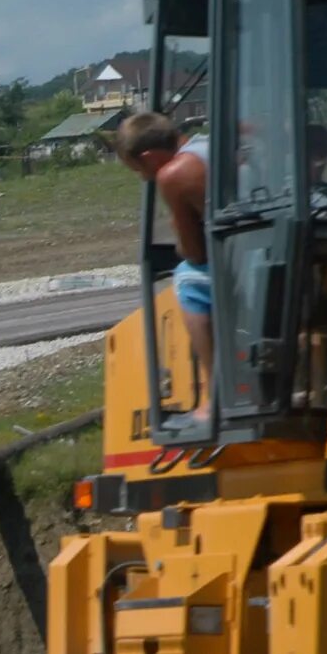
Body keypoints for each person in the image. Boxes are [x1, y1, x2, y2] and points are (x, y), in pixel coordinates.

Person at [111, 112, 213, 426]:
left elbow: (194, 253)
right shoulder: (210, 146)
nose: (145, 179)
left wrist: (180, 235)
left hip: (246, 258)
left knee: (187, 278)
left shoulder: (174, 174)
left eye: (140, 171)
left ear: (150, 157)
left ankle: (218, 393)